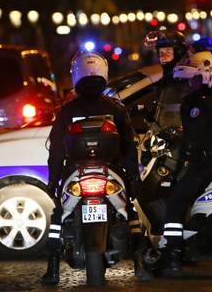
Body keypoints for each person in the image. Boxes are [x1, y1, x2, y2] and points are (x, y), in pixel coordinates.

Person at [41, 51, 148, 285]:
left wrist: (53, 180)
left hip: (75, 172)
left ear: (76, 75)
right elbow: (130, 147)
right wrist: (133, 177)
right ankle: (141, 264)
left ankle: (53, 270)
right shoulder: (116, 109)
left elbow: (56, 150)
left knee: (59, 215)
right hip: (112, 171)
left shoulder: (68, 111)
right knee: (129, 211)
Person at [159, 51, 212, 276]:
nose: (190, 84)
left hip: (204, 163)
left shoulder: (196, 103)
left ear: (207, 74)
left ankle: (173, 256)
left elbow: (193, 133)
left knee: (175, 203)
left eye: (193, 79)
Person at [143, 30, 189, 129]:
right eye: (161, 52)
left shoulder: (183, 78)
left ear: (178, 52)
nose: (163, 56)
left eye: (168, 51)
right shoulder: (166, 78)